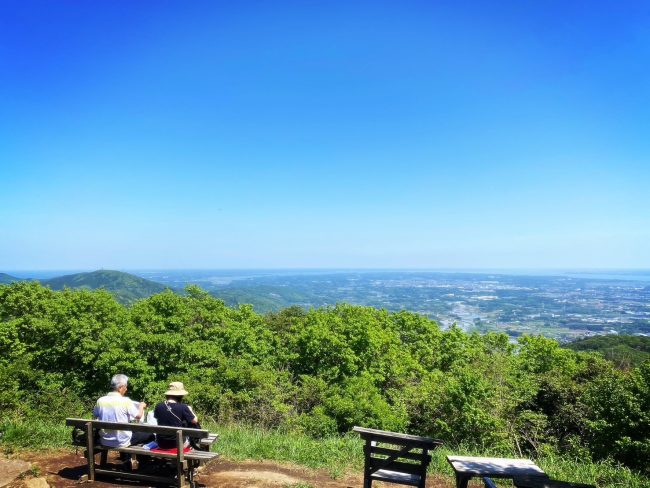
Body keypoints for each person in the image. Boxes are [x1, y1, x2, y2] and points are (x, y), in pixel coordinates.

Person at [93, 373, 154, 447]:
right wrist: (141, 406)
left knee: (129, 432)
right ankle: (131, 457)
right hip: (121, 441)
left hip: (105, 440)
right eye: (125, 386)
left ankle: (126, 456)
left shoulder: (100, 400)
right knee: (150, 435)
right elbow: (138, 416)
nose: (126, 389)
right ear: (120, 388)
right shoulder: (126, 401)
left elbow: (95, 415)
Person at [153, 381, 200, 449]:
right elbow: (195, 420)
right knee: (193, 424)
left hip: (161, 443)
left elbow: (157, 418)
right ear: (180, 395)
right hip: (177, 444)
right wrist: (190, 409)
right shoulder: (183, 407)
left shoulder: (159, 406)